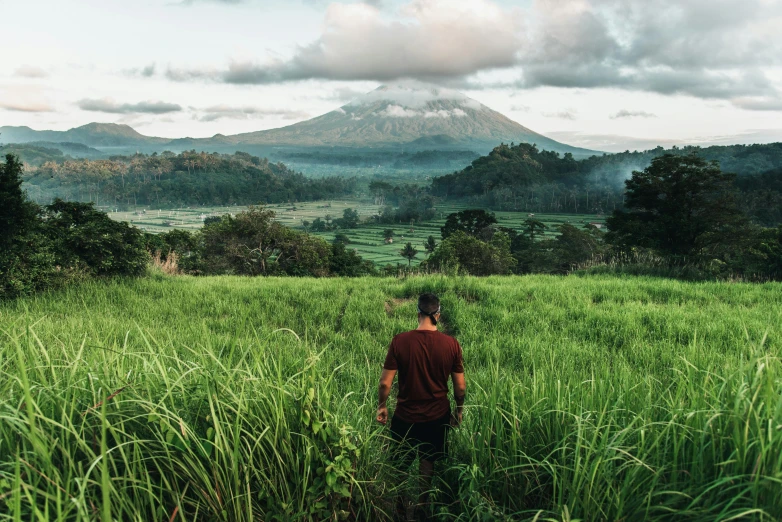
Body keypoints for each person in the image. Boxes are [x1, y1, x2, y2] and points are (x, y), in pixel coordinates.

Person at [376, 293, 466, 521]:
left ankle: (398, 504)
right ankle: (423, 504)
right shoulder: (451, 344)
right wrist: (459, 409)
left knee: (400, 462)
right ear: (438, 314)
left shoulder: (400, 341)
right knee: (428, 460)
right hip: (437, 416)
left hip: (405, 415)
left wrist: (382, 405)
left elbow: (385, 382)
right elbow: (460, 387)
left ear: (417, 313)